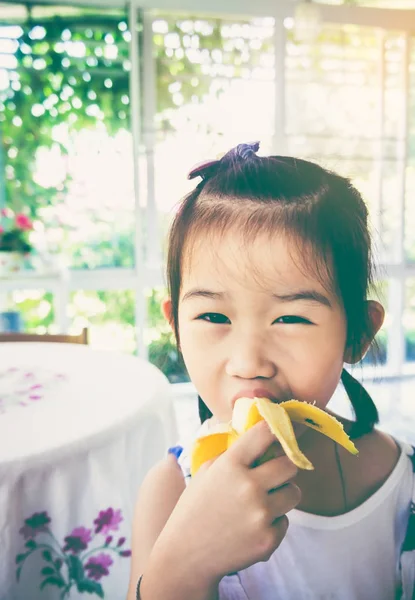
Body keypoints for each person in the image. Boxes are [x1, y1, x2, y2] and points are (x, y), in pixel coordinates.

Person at [127, 142, 415, 600]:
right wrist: (182, 565)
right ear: (176, 327)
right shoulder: (172, 490)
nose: (248, 362)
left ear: (358, 333)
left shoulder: (404, 487)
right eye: (214, 318)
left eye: (292, 319)